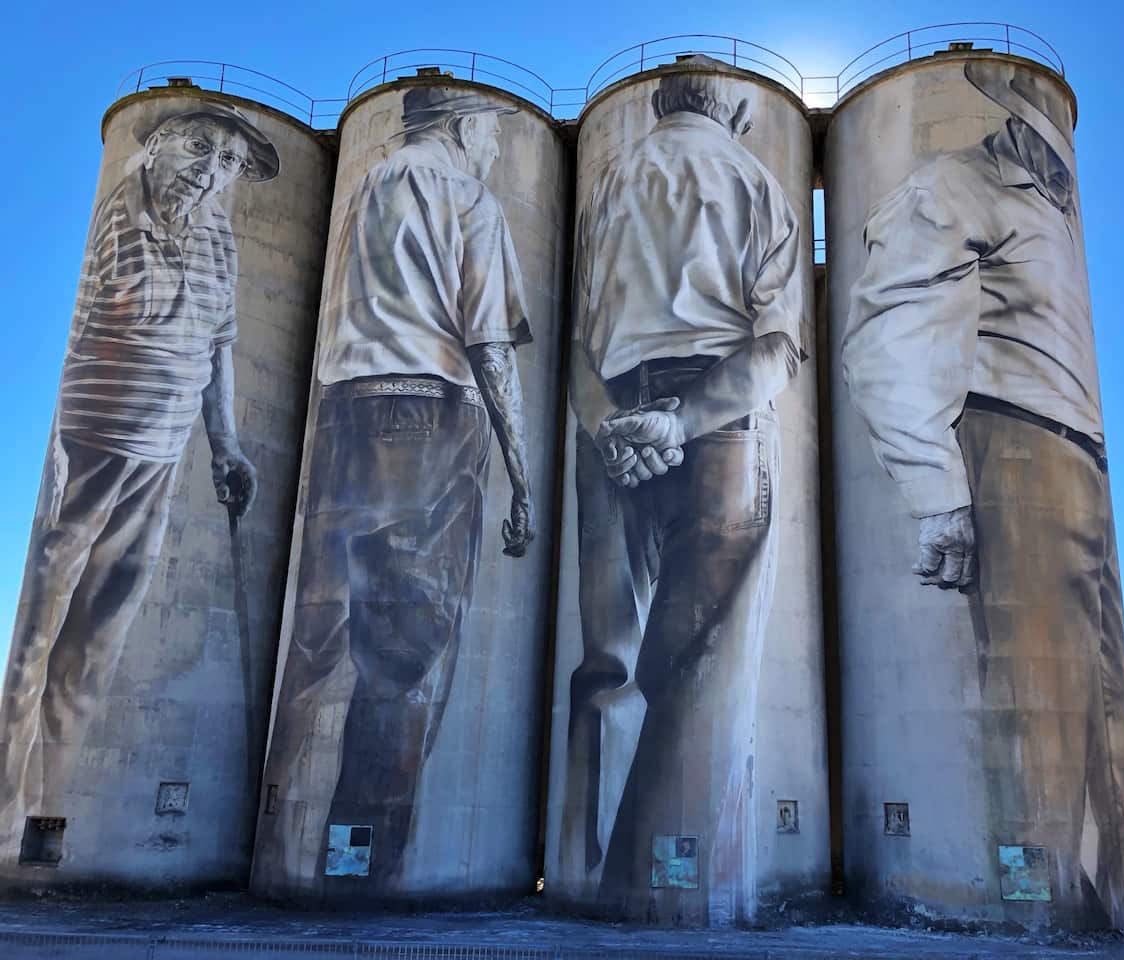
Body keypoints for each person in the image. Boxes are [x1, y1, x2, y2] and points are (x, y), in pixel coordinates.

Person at [842, 60, 1124, 928]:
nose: (1060, 164)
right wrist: (938, 491)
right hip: (1018, 450)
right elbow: (888, 338)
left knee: (1102, 728)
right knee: (1040, 731)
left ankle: (1109, 907)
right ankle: (1032, 911)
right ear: (1020, 123)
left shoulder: (1048, 205)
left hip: (1084, 461)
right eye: (1048, 142)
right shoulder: (957, 184)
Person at [257, 84, 534, 891]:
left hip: (341, 413)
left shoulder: (366, 189)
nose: (494, 143)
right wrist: (521, 474)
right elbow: (490, 346)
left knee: (311, 646)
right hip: (429, 417)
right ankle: (365, 869)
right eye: (487, 127)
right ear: (457, 126)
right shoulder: (466, 193)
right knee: (405, 659)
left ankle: (279, 859)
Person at [562, 58, 804, 923]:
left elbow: (577, 344)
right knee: (704, 663)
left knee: (608, 660)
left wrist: (608, 426)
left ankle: (588, 875)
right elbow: (776, 348)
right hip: (714, 420)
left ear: (660, 106)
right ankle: (666, 889)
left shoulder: (609, 186)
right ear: (732, 114)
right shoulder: (753, 179)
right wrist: (682, 420)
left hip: (612, 423)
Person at [0, 101, 276, 833]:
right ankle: (4, 813)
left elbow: (217, 340)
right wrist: (58, 456)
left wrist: (226, 445)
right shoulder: (123, 214)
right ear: (152, 145)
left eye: (227, 163)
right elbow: (106, 325)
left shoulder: (218, 232)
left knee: (97, 640)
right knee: (38, 631)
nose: (210, 171)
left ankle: (52, 807)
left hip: (161, 451)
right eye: (195, 146)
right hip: (93, 445)